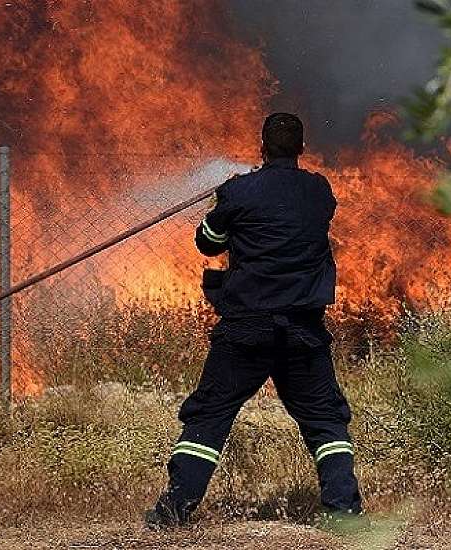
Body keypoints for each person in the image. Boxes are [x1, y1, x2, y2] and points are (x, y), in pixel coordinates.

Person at [146, 113, 362, 528]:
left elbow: (207, 243)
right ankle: (344, 512)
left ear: (260, 147)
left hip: (246, 328)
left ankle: (173, 514)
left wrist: (228, 200)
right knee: (325, 419)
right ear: (302, 149)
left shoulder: (239, 192)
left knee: (210, 415)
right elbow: (301, 214)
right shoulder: (319, 192)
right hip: (303, 330)